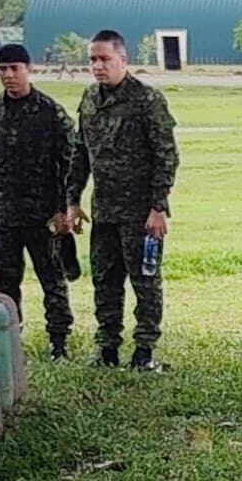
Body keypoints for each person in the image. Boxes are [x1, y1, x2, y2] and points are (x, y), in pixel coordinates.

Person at [0, 40, 86, 358]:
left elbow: (70, 164)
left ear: (28, 70)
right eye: (2, 69)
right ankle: (10, 342)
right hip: (2, 214)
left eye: (14, 69)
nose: (8, 75)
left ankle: (58, 342)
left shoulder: (49, 112)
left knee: (53, 279)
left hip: (43, 215)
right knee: (4, 283)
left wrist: (63, 208)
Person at [77, 28, 181, 370]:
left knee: (145, 282)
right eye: (93, 59)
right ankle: (107, 347)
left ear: (123, 59)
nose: (98, 66)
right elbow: (80, 154)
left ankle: (144, 350)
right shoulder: (90, 99)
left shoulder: (146, 100)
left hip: (141, 212)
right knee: (105, 281)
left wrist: (158, 207)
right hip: (104, 210)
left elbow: (166, 156)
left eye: (105, 59)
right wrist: (72, 200)